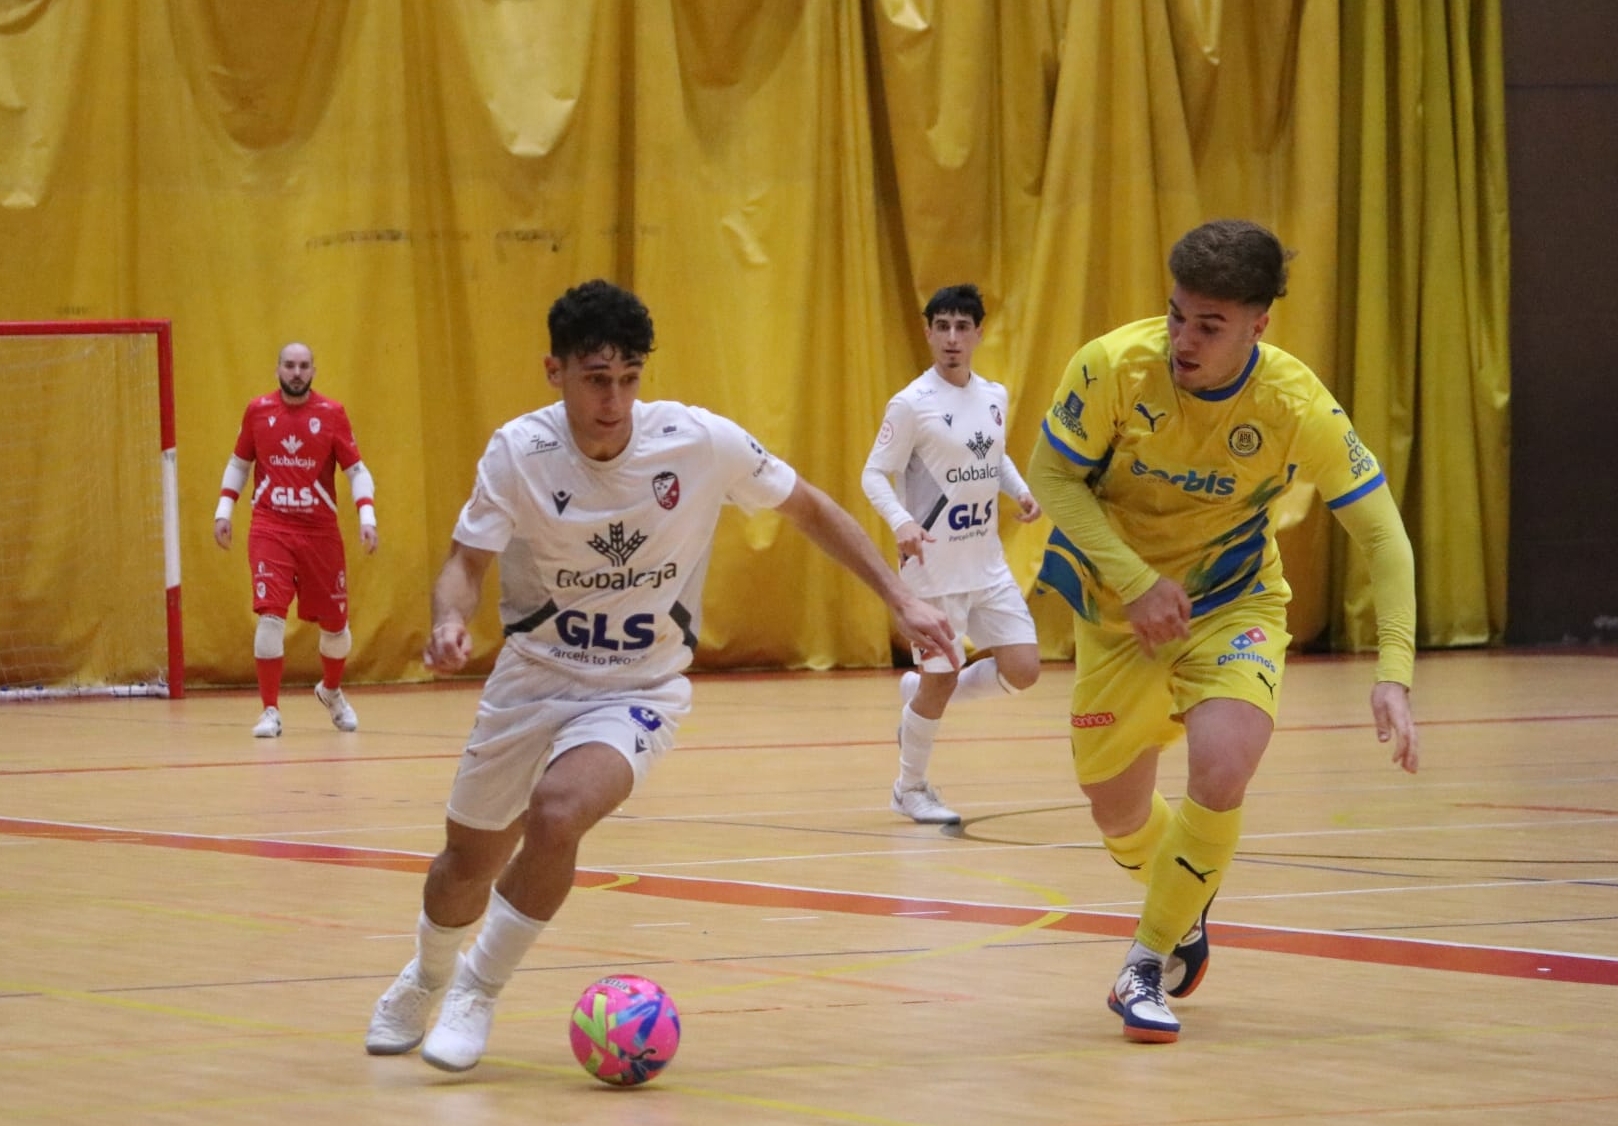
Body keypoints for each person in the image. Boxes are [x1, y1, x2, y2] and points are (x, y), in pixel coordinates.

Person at [365, 279, 959, 1073]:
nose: (613, 400)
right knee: (460, 870)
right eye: (595, 379)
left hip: (637, 689)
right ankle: (426, 976)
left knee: (558, 813)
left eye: (628, 378)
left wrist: (900, 598)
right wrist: (448, 620)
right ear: (554, 371)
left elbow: (811, 509)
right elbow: (463, 564)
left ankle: (476, 988)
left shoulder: (698, 442)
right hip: (532, 680)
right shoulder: (518, 452)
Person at [1027, 220, 1419, 1043]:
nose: (1184, 340)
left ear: (1258, 326)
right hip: (1121, 612)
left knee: (1224, 764)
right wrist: (1137, 582)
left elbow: (1383, 534)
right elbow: (1053, 477)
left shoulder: (1294, 404)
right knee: (1116, 812)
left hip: (1234, 604)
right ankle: (1183, 900)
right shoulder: (1110, 366)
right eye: (1177, 315)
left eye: (1210, 326)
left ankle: (1144, 962)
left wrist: (1394, 670)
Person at [861, 283, 1042, 824]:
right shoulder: (911, 404)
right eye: (942, 326)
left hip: (986, 564)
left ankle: (918, 694)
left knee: (1024, 668)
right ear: (928, 332)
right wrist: (902, 521)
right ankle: (909, 787)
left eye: (963, 327)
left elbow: (993, 455)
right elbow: (874, 474)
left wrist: (1020, 491)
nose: (952, 338)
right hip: (934, 572)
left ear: (979, 333)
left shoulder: (994, 396)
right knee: (941, 679)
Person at [213, 342, 377, 737]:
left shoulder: (332, 414)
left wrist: (367, 517)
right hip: (271, 527)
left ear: (314, 371)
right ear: (278, 370)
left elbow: (356, 470)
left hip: (320, 533)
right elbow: (239, 463)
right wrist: (224, 510)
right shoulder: (258, 411)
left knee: (336, 629)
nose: (297, 373)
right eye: (289, 365)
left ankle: (331, 691)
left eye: (304, 366)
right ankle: (269, 710)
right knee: (270, 617)